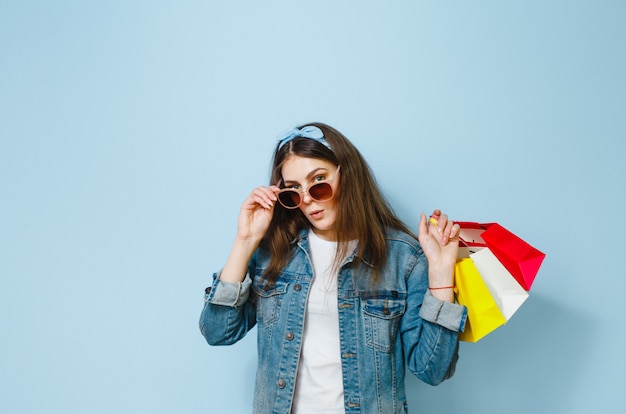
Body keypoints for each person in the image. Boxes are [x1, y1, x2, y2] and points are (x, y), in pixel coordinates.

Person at [199, 122, 467, 414]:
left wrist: (441, 278)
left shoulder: (404, 257)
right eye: (293, 191)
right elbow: (218, 332)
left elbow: (432, 370)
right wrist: (246, 240)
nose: (308, 200)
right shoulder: (274, 252)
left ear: (347, 173)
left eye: (319, 181)